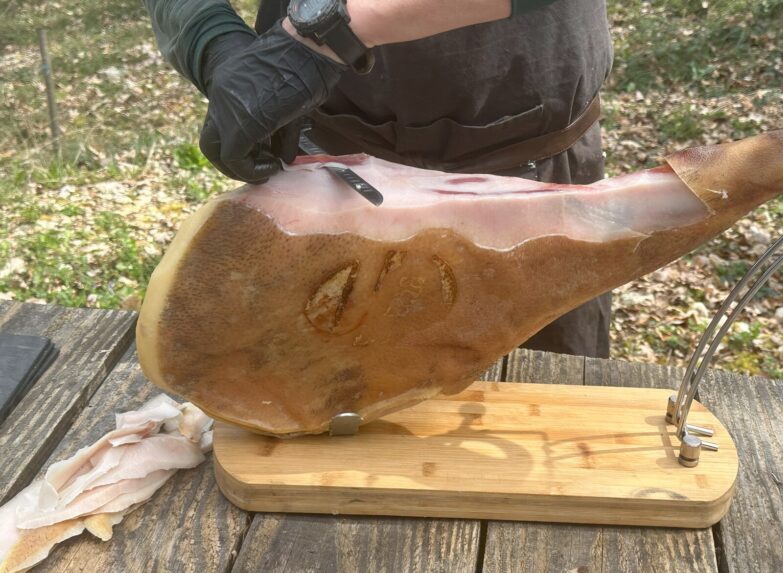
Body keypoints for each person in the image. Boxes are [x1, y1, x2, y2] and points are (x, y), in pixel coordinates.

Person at [144, 0, 613, 358]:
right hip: (324, 168)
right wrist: (212, 41)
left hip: (530, 170)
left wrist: (331, 33)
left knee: (543, 418)